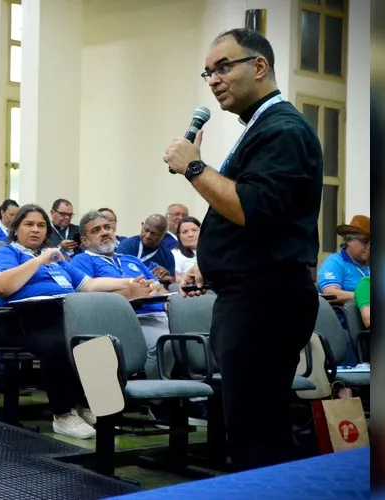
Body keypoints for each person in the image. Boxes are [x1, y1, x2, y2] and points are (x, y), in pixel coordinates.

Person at [162, 28, 323, 470]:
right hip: (255, 295)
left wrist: (194, 166)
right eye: (208, 72)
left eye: (223, 67)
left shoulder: (282, 130)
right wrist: (210, 267)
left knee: (257, 431)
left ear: (259, 66)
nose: (213, 80)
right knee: (255, 424)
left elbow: (254, 208)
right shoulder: (262, 127)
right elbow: (253, 222)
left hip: (265, 302)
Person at [0, 204, 156, 439]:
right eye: (29, 224)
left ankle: (87, 404)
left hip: (62, 315)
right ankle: (62, 414)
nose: (35, 230)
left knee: (96, 338)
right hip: (18, 320)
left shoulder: (57, 260)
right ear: (16, 229)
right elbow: (0, 286)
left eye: (41, 225)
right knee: (60, 340)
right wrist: (39, 261)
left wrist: (129, 283)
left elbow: (90, 285)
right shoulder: (7, 253)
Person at [71, 211, 172, 381]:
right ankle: (159, 400)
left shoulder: (131, 260)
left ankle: (197, 397)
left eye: (107, 228)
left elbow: (159, 288)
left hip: (161, 314)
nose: (104, 232)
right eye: (96, 230)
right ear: (84, 241)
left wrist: (168, 301)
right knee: (165, 343)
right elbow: (87, 301)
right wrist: (129, 293)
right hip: (130, 319)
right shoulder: (82, 261)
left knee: (199, 336)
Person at [317, 215, 371, 304]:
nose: (368, 246)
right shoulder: (334, 262)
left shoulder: (369, 265)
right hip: (344, 317)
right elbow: (330, 294)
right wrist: (363, 296)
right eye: (365, 241)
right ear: (349, 240)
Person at [116, 214, 177, 285]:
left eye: (154, 234)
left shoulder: (167, 256)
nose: (148, 236)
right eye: (146, 230)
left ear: (163, 235)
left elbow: (172, 283)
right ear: (142, 225)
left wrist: (166, 275)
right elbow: (119, 274)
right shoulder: (127, 245)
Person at [172, 216, 201, 281]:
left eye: (194, 230)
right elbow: (175, 276)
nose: (190, 235)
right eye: (185, 232)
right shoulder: (176, 254)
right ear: (179, 236)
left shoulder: (211, 251)